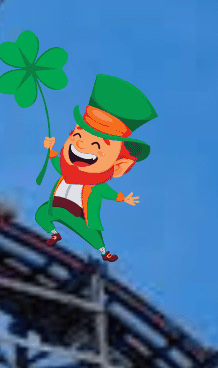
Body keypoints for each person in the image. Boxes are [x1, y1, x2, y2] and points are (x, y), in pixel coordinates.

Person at [35, 74, 157, 262]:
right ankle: (54, 234)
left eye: (99, 144)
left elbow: (108, 192)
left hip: (79, 216)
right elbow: (56, 163)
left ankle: (103, 251)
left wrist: (123, 198)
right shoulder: (67, 170)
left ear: (120, 165)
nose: (82, 146)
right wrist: (50, 149)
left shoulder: (95, 185)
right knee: (42, 214)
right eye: (78, 135)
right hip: (57, 207)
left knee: (91, 235)